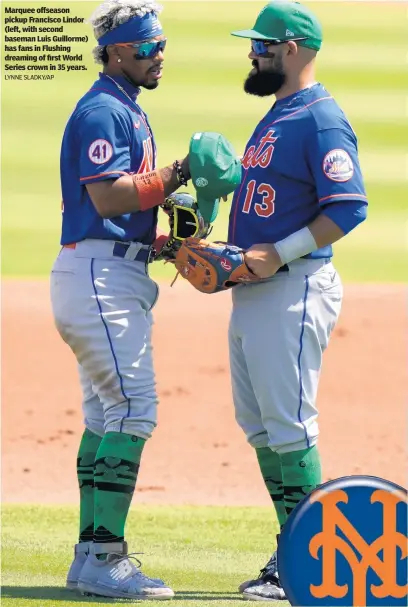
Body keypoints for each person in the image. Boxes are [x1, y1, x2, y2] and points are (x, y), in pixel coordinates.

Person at [50, 0, 192, 600]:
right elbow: (109, 199)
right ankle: (107, 558)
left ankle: (89, 559)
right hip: (98, 280)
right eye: (147, 47)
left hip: (107, 273)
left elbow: (117, 215)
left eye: (161, 44)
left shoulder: (125, 107)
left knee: (107, 416)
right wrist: (184, 171)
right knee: (134, 411)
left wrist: (161, 242)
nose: (159, 55)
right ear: (115, 52)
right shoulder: (104, 110)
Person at [227, 1, 368, 601]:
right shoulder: (281, 112)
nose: (252, 52)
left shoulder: (320, 119)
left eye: (261, 44)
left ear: (291, 49)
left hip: (294, 285)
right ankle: (292, 548)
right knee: (260, 427)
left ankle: (307, 566)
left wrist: (277, 252)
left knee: (288, 426)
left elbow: (348, 206)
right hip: (257, 291)